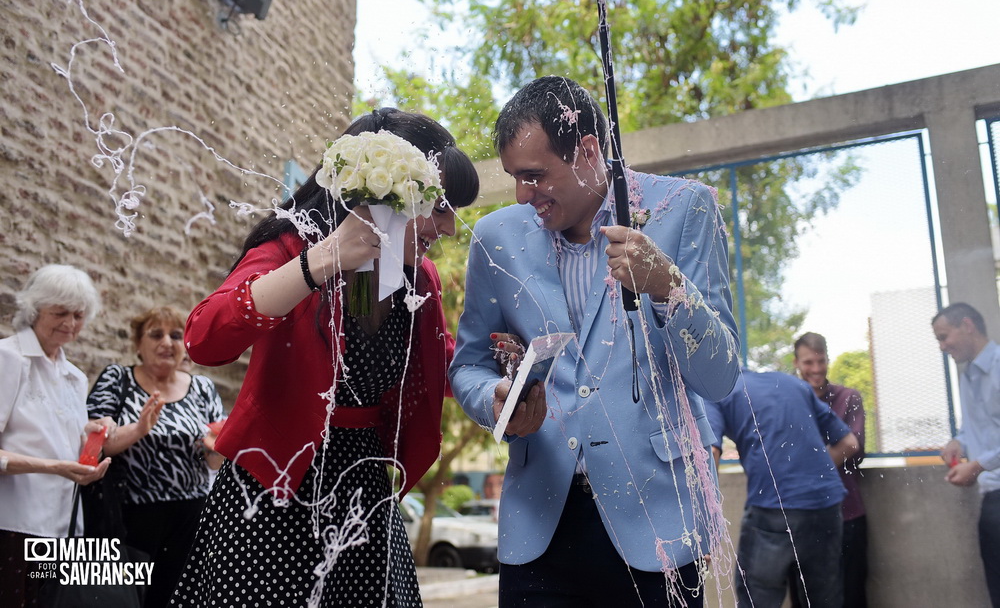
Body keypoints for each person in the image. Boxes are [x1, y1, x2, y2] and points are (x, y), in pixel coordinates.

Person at [449, 76, 740, 607]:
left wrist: (668, 287)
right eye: (515, 177)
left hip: (658, 525)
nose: (522, 195)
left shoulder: (685, 208)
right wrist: (494, 402)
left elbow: (720, 377)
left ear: (587, 152)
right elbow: (467, 366)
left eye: (535, 176)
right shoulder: (495, 239)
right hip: (539, 527)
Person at [170, 108, 479, 607]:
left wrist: (499, 369)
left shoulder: (419, 278)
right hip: (274, 485)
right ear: (388, 192)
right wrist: (321, 261)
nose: (449, 226)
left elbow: (437, 363)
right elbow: (204, 339)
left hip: (363, 489)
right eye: (439, 206)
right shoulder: (292, 245)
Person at [87, 306, 224, 608]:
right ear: (138, 343)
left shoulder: (202, 388)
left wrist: (216, 449)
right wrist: (138, 428)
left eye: (176, 335)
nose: (167, 342)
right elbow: (95, 445)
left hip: (190, 516)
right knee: (123, 601)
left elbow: (213, 460)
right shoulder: (117, 378)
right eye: (156, 334)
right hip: (129, 516)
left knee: (177, 599)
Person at [0, 264, 112, 607]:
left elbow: (61, 444)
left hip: (62, 526)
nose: (70, 324)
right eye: (60, 312)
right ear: (34, 310)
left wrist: (89, 439)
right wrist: (55, 467)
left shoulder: (75, 377)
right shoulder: (7, 357)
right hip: (12, 522)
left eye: (79, 315)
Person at [705, 370, 860, 608]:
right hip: (826, 504)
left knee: (758, 599)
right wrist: (808, 473)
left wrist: (704, 527)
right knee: (824, 598)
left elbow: (709, 454)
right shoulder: (793, 384)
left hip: (774, 506)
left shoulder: (716, 390)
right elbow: (849, 443)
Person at [792, 331, 868, 607]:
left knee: (851, 593)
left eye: (820, 361)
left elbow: (854, 445)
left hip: (846, 514)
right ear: (796, 363)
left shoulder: (849, 397)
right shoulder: (788, 400)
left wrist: (804, 466)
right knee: (805, 597)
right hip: (800, 519)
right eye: (808, 362)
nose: (816, 369)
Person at [933, 302, 1000, 607]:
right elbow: (974, 428)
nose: (942, 346)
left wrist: (979, 464)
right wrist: (958, 443)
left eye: (944, 337)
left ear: (968, 326)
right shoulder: (968, 375)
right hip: (992, 496)